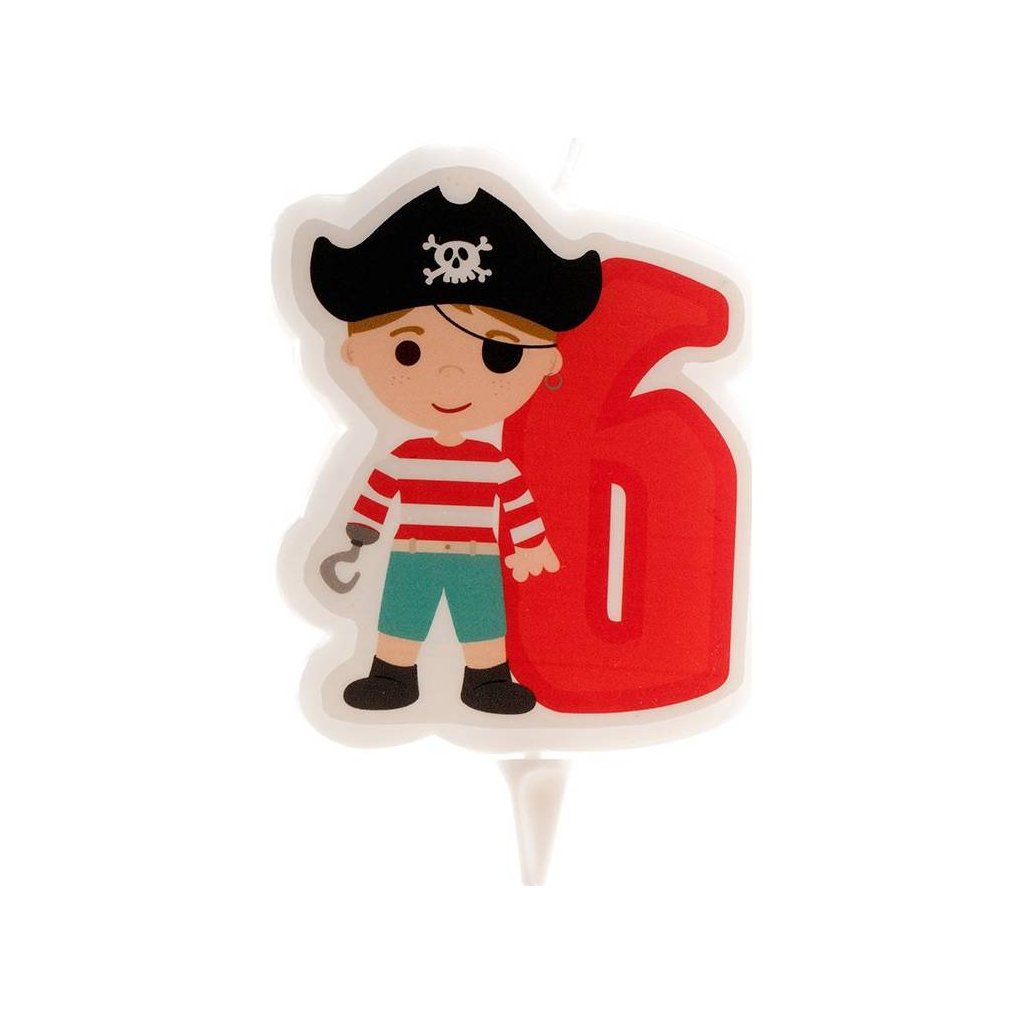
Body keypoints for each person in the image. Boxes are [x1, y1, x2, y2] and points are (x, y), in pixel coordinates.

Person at [309, 187, 601, 714]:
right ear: (353, 351)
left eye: (499, 355)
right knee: (401, 617)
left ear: (549, 362)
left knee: (482, 621)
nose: (448, 375)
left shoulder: (493, 463)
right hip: (412, 554)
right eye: (408, 350)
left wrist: (531, 544)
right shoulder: (405, 456)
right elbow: (378, 494)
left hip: (476, 556)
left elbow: (516, 501)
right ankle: (392, 675)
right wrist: (358, 539)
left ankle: (486, 680)